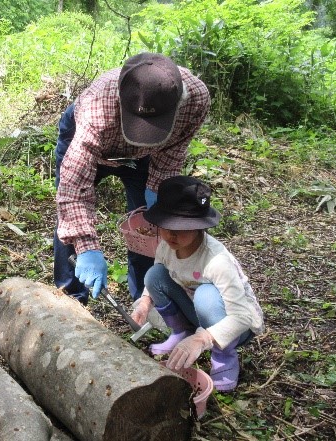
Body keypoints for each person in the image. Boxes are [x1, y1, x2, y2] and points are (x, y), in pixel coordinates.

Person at [54, 52, 211, 304]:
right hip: (93, 140)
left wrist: (159, 193)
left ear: (179, 103)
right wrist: (87, 246)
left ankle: (146, 299)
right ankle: (71, 299)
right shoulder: (98, 106)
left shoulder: (196, 99)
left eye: (153, 124)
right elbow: (74, 190)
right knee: (71, 219)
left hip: (147, 158)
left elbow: (175, 148)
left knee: (149, 225)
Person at [130, 176, 264, 391]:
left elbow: (242, 316)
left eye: (181, 228)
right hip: (197, 310)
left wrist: (202, 339)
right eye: (166, 226)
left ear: (199, 227)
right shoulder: (166, 247)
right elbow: (157, 278)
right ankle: (180, 333)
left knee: (206, 295)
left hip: (234, 325)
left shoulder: (216, 260)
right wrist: (145, 301)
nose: (171, 234)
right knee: (155, 274)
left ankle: (224, 356)